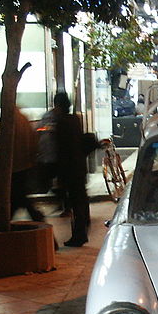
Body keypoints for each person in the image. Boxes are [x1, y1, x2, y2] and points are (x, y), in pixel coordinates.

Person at [0, 105, 45, 222]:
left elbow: (3, 140)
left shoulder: (11, 121)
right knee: (19, 199)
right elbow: (33, 141)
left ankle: (4, 227)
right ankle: (36, 222)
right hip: (24, 166)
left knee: (17, 199)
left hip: (15, 168)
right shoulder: (23, 119)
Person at [51, 92, 91, 247]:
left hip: (70, 169)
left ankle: (79, 234)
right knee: (80, 200)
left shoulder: (61, 123)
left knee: (76, 202)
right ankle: (81, 231)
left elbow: (62, 150)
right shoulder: (75, 120)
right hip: (79, 166)